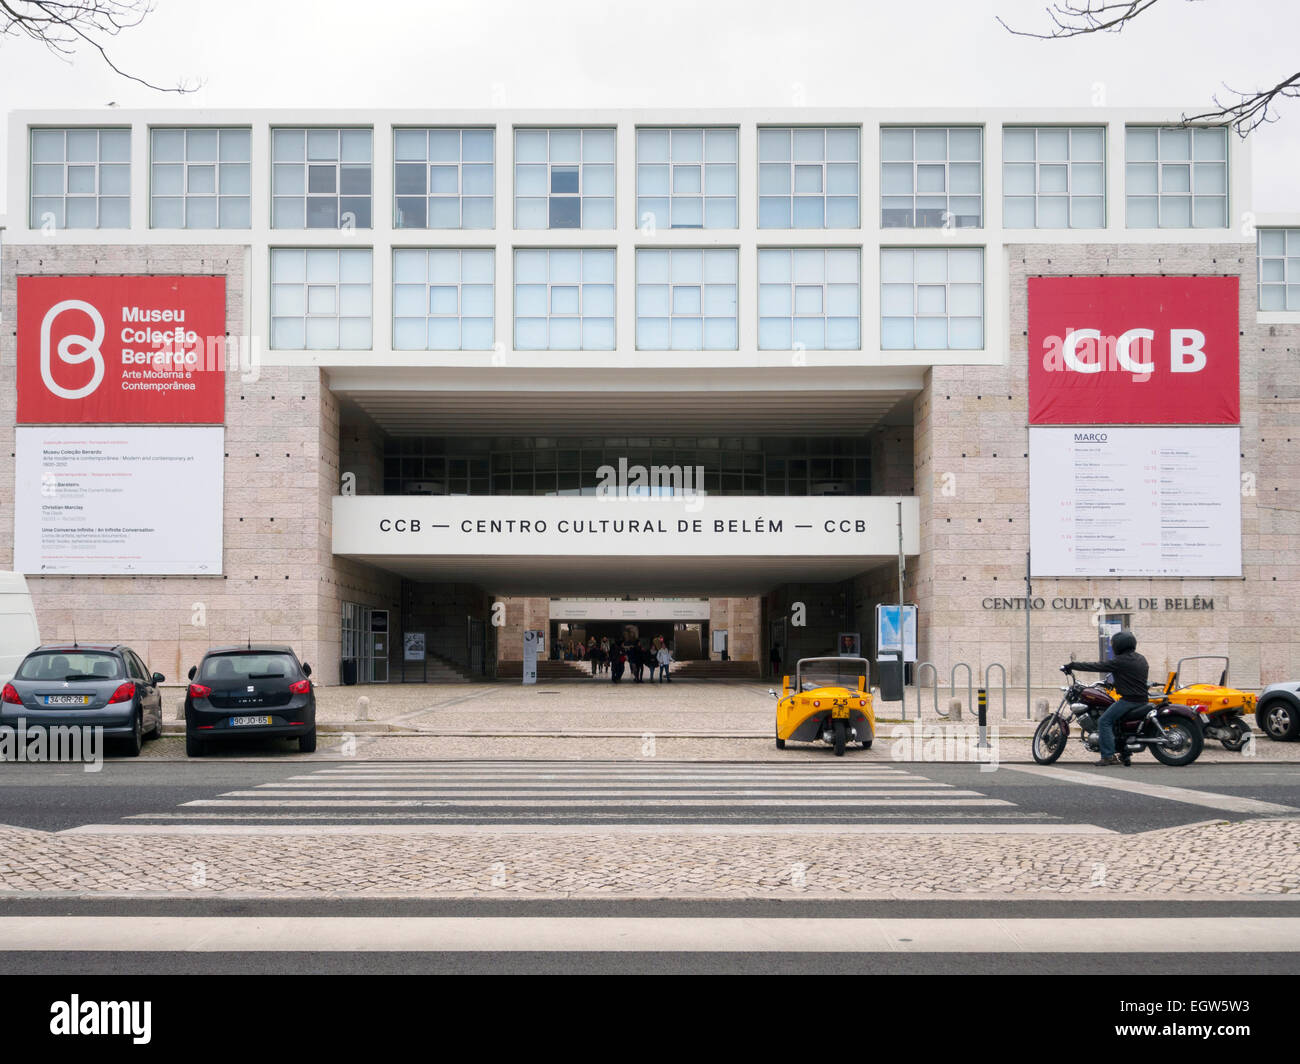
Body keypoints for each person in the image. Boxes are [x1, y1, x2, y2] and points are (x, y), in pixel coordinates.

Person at [1062, 630, 1149, 767]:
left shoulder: (1120, 661)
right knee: (1116, 722)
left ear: (1119, 645)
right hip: (1142, 699)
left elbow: (1096, 666)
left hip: (1129, 701)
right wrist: (1114, 684)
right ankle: (1124, 753)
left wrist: (1074, 665)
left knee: (1104, 721)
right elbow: (1132, 678)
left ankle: (1108, 756)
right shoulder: (1140, 658)